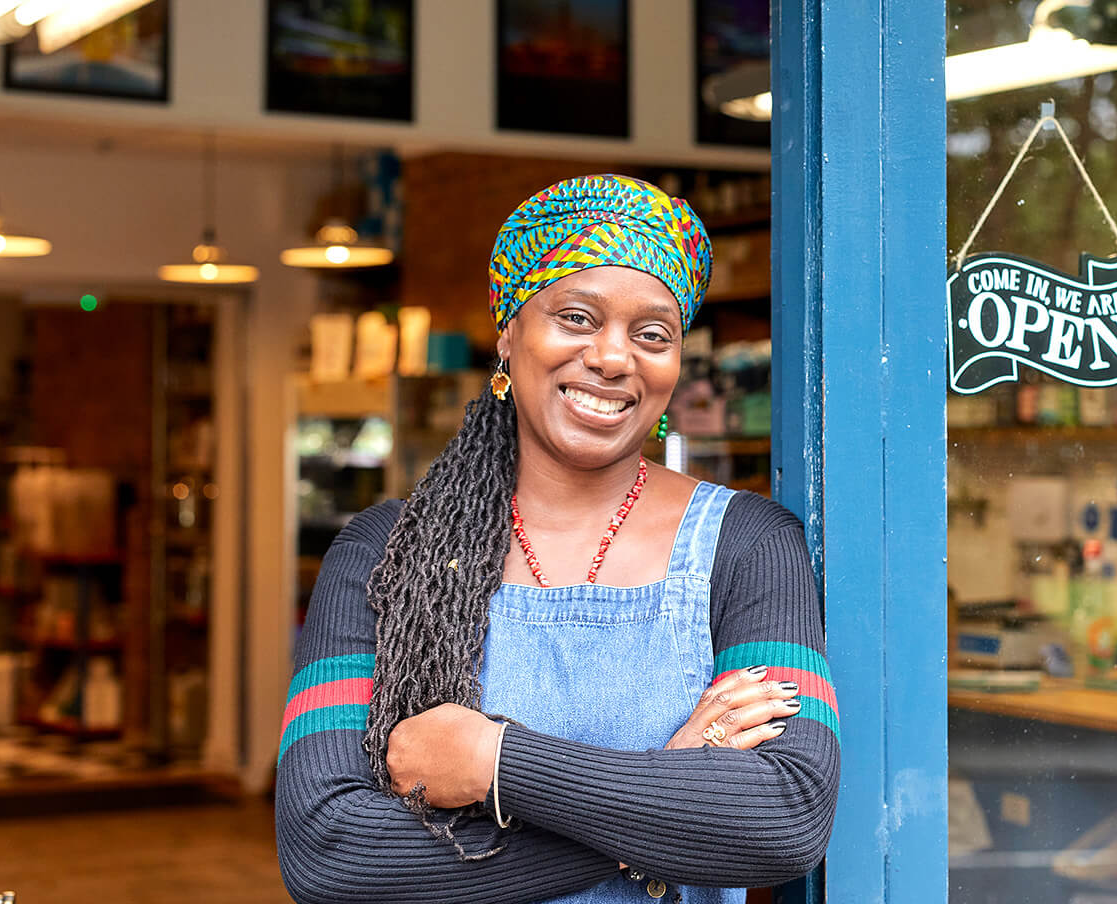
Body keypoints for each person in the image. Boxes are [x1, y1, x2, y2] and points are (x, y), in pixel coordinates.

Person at [275, 174, 840, 904]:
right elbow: (330, 853)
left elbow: (784, 817)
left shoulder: (749, 548)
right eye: (576, 317)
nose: (613, 357)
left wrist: (492, 762)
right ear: (509, 333)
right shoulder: (381, 554)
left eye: (652, 334)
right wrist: (665, 802)